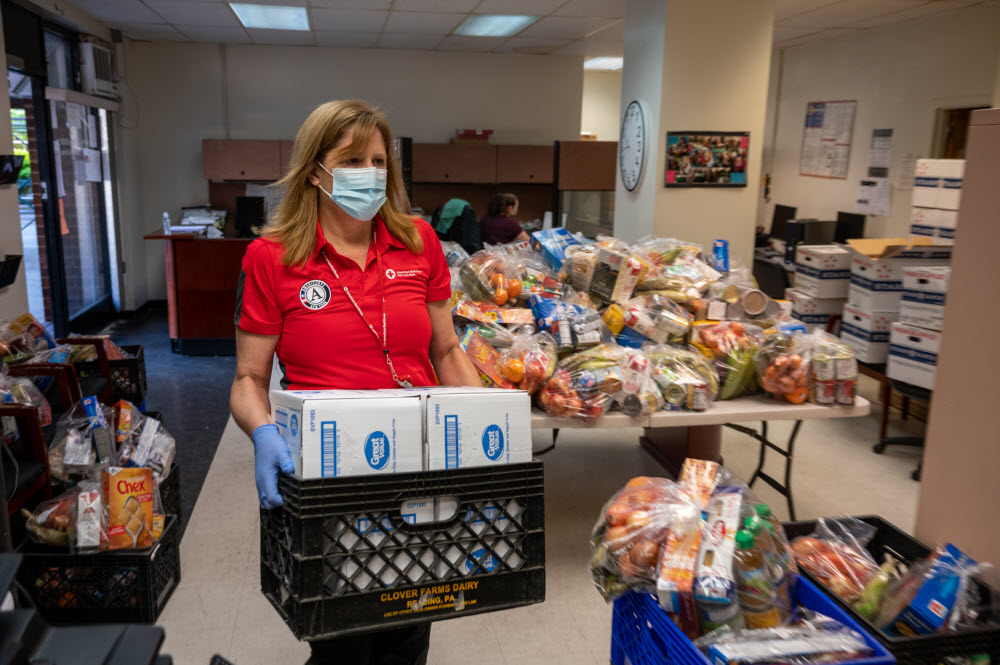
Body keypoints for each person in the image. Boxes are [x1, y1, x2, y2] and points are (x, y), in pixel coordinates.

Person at [230, 100, 481, 665]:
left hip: (419, 467)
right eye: (351, 159)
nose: (370, 173)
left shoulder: (418, 241)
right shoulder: (271, 258)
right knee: (342, 640)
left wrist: (487, 423)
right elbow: (248, 377)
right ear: (315, 169)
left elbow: (446, 350)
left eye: (378, 161)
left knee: (409, 628)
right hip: (329, 477)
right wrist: (264, 433)